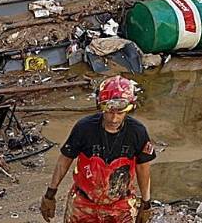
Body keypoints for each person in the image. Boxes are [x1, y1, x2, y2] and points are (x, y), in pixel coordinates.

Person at [42, 76, 155, 223]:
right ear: (100, 107)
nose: (114, 119)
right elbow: (65, 159)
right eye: (109, 112)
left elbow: (143, 168)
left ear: (129, 108)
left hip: (121, 205)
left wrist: (146, 203)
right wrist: (50, 193)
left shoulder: (137, 132)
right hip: (83, 203)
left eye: (120, 113)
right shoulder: (84, 128)